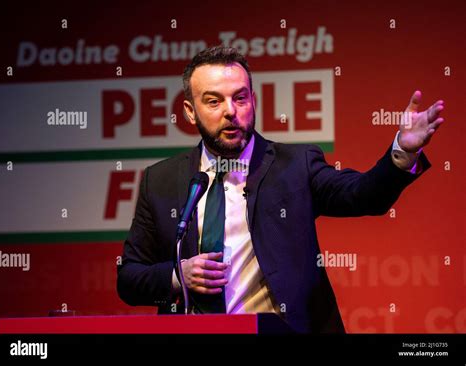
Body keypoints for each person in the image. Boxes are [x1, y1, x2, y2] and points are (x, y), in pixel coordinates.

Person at [117, 46, 445, 333]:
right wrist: (178, 275)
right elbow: (130, 279)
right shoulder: (159, 181)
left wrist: (403, 150)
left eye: (240, 97)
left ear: (253, 100)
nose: (230, 111)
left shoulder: (295, 165)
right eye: (214, 101)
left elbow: (365, 195)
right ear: (190, 111)